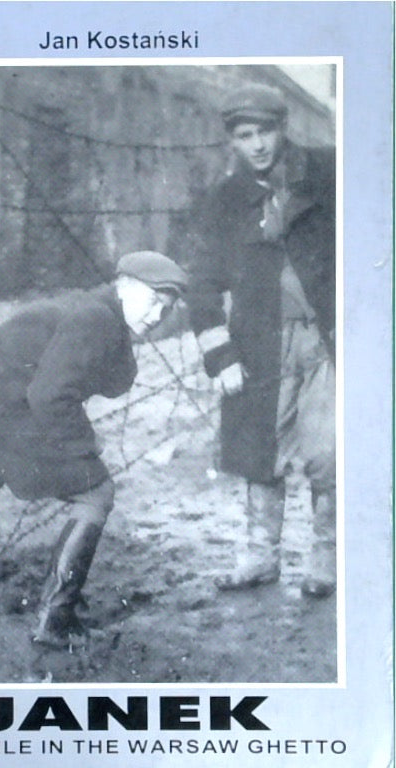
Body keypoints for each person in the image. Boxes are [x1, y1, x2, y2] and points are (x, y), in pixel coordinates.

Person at [0, 251, 187, 646]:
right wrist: (87, 446)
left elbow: (109, 380)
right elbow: (50, 396)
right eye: (151, 302)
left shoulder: (95, 309)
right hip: (6, 410)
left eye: (164, 310)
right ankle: (54, 618)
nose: (155, 316)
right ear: (124, 286)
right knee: (96, 492)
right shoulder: (97, 318)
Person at [187, 83, 336, 598]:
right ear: (232, 140)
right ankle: (259, 558)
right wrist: (220, 354)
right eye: (244, 135)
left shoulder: (327, 173)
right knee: (259, 448)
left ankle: (327, 558)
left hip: (327, 341)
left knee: (329, 451)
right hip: (259, 345)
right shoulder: (226, 200)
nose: (256, 145)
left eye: (265, 131)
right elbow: (202, 282)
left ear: (283, 128)